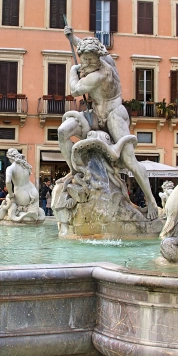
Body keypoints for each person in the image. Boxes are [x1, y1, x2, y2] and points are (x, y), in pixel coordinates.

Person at [58, 26, 159, 219]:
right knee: (63, 132)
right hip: (95, 115)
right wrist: (72, 38)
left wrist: (73, 70)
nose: (84, 63)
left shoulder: (99, 75)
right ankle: (75, 171)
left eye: (88, 60)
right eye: (83, 59)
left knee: (130, 160)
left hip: (114, 115)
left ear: (98, 58)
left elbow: (75, 90)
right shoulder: (103, 56)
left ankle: (151, 202)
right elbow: (86, 46)